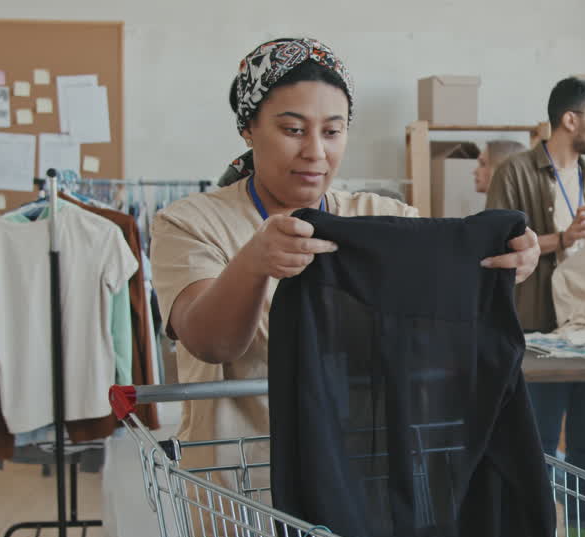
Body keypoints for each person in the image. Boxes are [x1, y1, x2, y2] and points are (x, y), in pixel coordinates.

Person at [152, 38, 540, 450]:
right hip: (244, 485)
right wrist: (251, 265)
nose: (315, 152)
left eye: (333, 131)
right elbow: (211, 344)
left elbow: (442, 301)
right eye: (293, 130)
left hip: (358, 477)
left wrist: (506, 258)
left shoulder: (382, 217)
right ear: (248, 128)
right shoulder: (190, 223)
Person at [484, 77, 585, 537]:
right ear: (571, 120)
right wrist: (561, 238)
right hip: (538, 336)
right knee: (534, 449)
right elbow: (496, 250)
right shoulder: (515, 172)